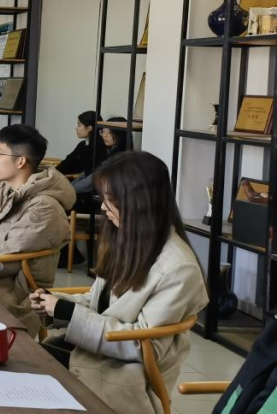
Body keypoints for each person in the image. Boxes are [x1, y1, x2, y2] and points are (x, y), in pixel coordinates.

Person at [30, 152, 207, 414]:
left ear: (139, 202)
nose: (103, 208)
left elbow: (143, 346)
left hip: (123, 377)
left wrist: (67, 311)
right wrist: (55, 304)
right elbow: (97, 303)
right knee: (23, 361)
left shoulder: (179, 268)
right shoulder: (128, 241)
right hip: (95, 357)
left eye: (110, 200)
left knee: (26, 371)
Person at [0, 124, 75, 336]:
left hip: (13, 294)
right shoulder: (4, 192)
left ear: (20, 161)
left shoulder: (43, 208)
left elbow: (6, 261)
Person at [55, 111, 105, 178]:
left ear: (89, 128)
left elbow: (86, 174)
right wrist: (54, 171)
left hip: (72, 180)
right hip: (62, 177)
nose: (76, 128)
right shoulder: (82, 144)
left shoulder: (97, 148)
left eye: (79, 125)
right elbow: (67, 161)